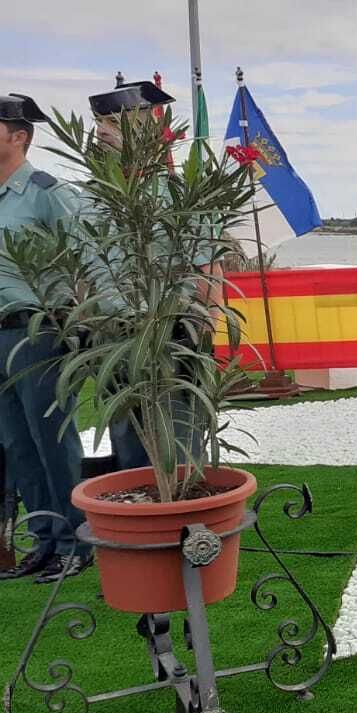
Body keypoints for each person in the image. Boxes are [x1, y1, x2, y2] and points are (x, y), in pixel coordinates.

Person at [86, 79, 216, 472]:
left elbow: (208, 271)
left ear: (142, 131)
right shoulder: (91, 199)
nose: (101, 135)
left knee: (180, 447)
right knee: (130, 449)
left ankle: (190, 531)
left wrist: (203, 329)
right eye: (99, 124)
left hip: (171, 336)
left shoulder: (179, 194)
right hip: (115, 339)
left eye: (112, 125)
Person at [0, 92, 89, 583]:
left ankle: (77, 542)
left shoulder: (46, 191)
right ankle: (44, 542)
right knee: (15, 444)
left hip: (38, 331)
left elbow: (85, 255)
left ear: (19, 136)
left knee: (52, 439)